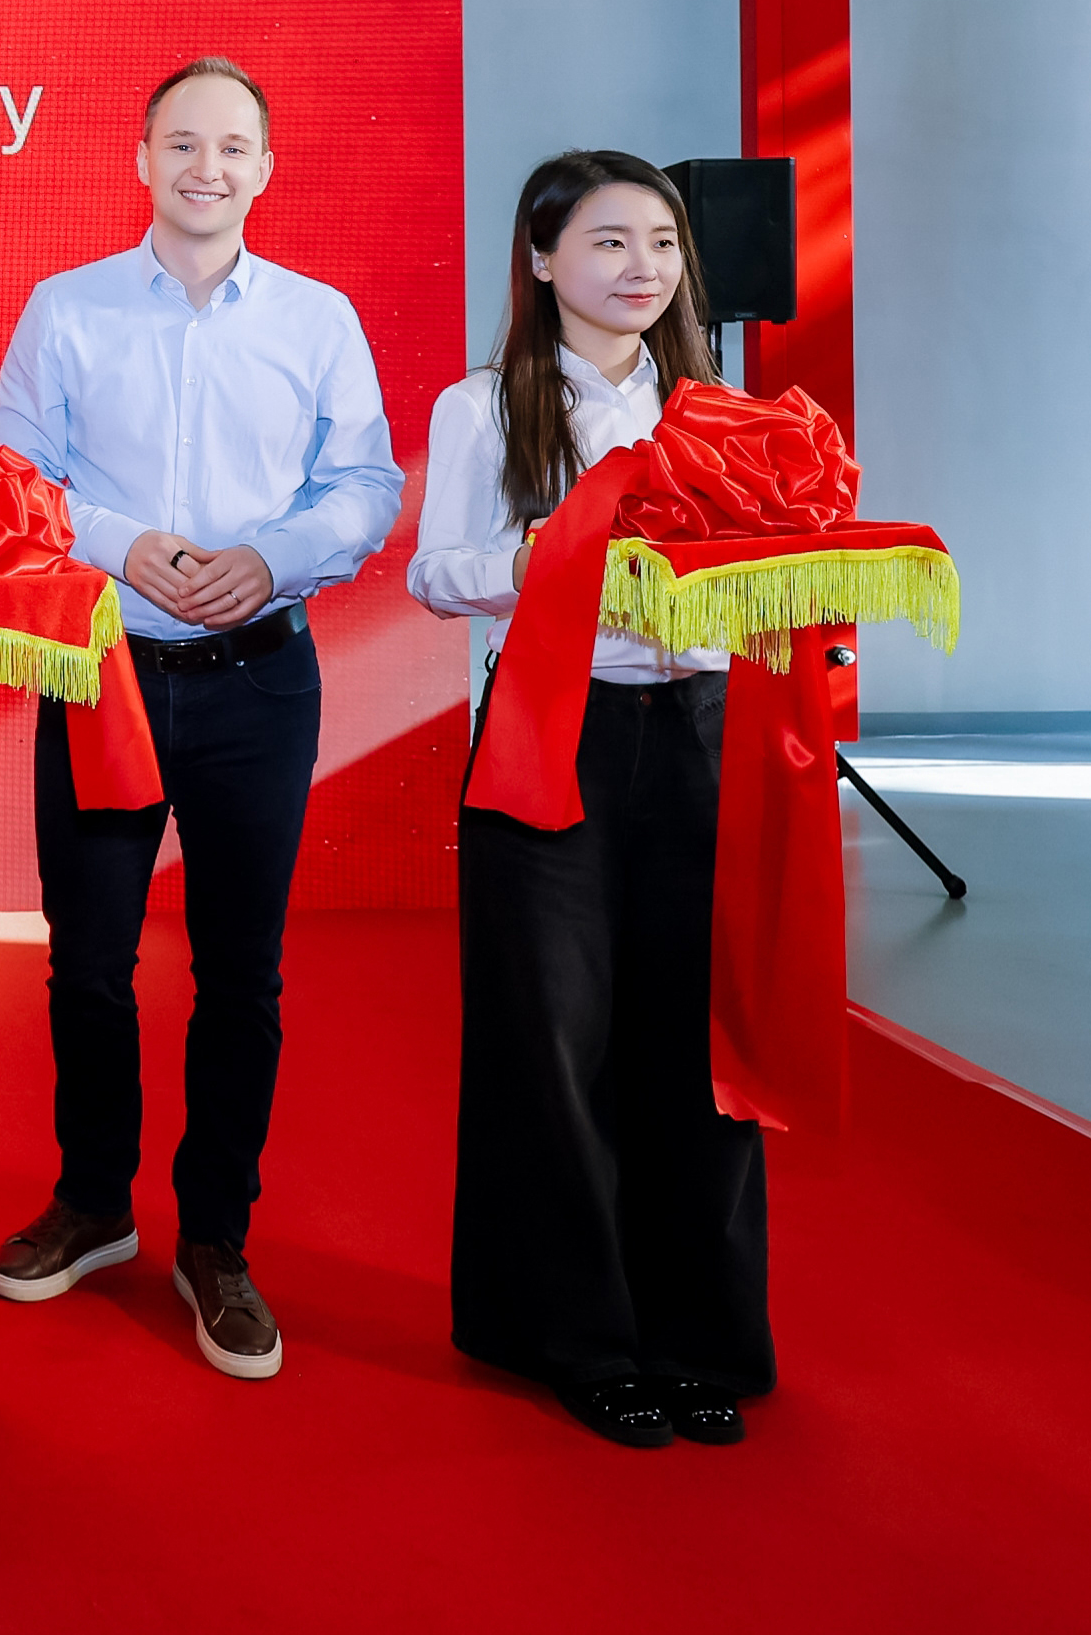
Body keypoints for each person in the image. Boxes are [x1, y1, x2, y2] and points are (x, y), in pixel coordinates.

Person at [0, 55, 400, 1381]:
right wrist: (121, 541)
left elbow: (367, 486)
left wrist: (271, 558)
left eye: (231, 147)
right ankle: (95, 1197)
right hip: (104, 667)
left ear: (266, 167)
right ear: (141, 156)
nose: (205, 167)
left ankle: (216, 1236)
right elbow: (14, 477)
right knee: (87, 957)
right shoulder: (68, 308)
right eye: (181, 142)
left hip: (261, 676)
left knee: (242, 970)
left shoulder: (320, 319)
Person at [412, 149, 764, 1451]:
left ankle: (696, 1333)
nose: (642, 269)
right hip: (551, 727)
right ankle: (578, 1333)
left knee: (697, 1038)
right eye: (610, 243)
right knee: (550, 1034)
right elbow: (437, 573)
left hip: (700, 730)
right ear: (545, 257)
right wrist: (561, 554)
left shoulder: (718, 403)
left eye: (662, 245)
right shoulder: (486, 406)